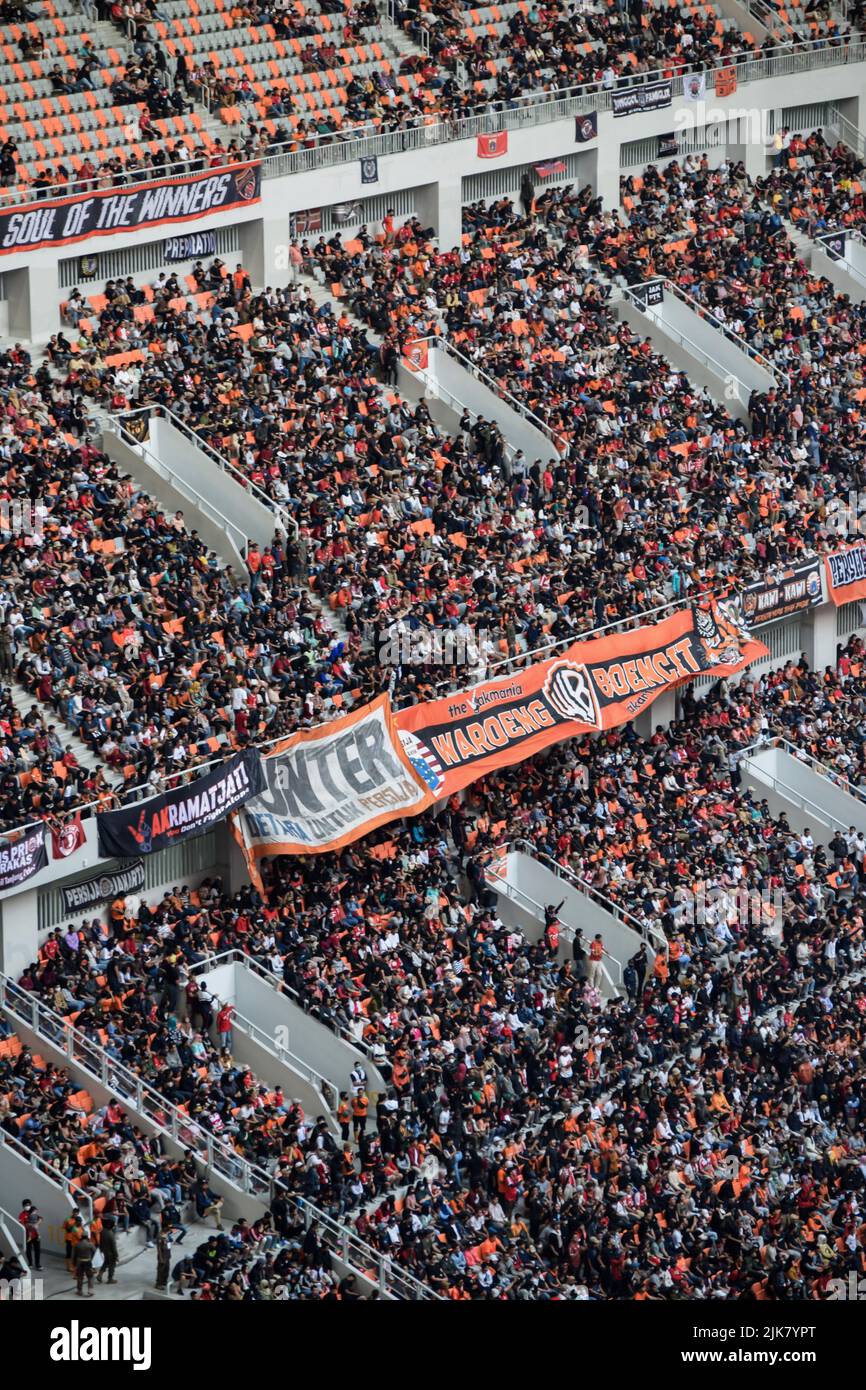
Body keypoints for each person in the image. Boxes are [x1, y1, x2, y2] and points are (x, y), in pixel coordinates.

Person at [18, 1200, 42, 1272]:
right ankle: (30, 1263)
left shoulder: (33, 1212)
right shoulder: (21, 1214)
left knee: (37, 1250)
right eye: (25, 1205)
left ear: (31, 1205)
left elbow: (40, 1218)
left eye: (28, 1205)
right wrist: (29, 1225)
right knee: (28, 1250)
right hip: (27, 1235)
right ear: (23, 1206)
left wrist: (37, 1224)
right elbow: (21, 1223)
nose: (27, 1206)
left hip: (36, 1235)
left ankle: (38, 1264)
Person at [97, 1216, 119, 1285]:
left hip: (104, 1251)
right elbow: (114, 1248)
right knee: (112, 1266)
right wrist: (117, 1256)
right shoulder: (111, 1235)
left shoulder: (102, 1231)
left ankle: (99, 1275)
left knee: (106, 1263)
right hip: (111, 1253)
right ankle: (110, 1279)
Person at [74, 1231, 96, 1297]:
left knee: (80, 1277)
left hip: (80, 1262)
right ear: (87, 1237)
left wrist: (74, 1263)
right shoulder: (90, 1244)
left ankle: (79, 1291)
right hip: (88, 1262)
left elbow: (75, 1255)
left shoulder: (78, 1244)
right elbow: (95, 1252)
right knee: (90, 1276)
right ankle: (90, 1291)